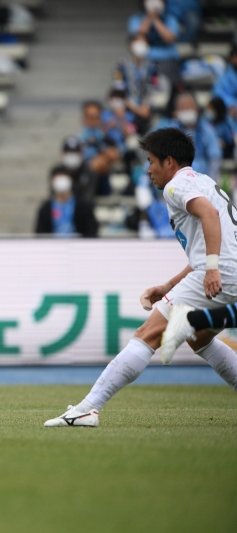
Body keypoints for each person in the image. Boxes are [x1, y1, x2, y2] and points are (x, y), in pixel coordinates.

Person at [45, 128, 237, 427]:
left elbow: (209, 216)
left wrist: (212, 268)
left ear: (169, 162)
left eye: (151, 161)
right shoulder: (203, 181)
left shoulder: (175, 186)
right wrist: (168, 285)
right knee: (199, 338)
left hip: (219, 272)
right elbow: (211, 244)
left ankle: (88, 409)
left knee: (148, 334)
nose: (148, 170)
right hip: (229, 270)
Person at [157, 92, 222, 179]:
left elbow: (215, 158)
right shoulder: (170, 132)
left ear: (197, 109)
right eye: (183, 108)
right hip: (176, 181)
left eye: (189, 107)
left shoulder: (207, 130)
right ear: (176, 112)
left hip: (202, 179)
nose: (187, 111)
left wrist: (211, 181)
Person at [34, 166, 99, 238]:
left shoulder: (84, 206)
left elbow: (91, 230)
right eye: (57, 178)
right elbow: (40, 233)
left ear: (71, 180)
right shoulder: (45, 208)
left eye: (64, 177)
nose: (61, 181)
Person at [113, 34, 158, 134]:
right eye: (138, 41)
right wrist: (136, 109)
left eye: (144, 42)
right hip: (128, 108)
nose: (141, 44)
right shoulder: (121, 65)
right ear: (130, 45)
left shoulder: (152, 66)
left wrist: (146, 106)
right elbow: (118, 89)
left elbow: (154, 87)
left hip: (146, 109)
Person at [128, 0, 181, 82]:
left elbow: (169, 39)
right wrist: (149, 18)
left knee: (166, 73)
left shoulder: (170, 19)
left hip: (167, 58)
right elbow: (137, 39)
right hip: (145, 58)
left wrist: (156, 20)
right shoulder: (135, 19)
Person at [205, 96, 236, 161]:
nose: (209, 111)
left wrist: (223, 143)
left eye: (211, 109)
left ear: (217, 110)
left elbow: (231, 141)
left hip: (223, 154)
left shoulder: (226, 124)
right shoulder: (206, 121)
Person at [212, 44, 237, 116]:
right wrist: (232, 104)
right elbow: (218, 93)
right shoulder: (225, 75)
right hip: (229, 110)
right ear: (231, 58)